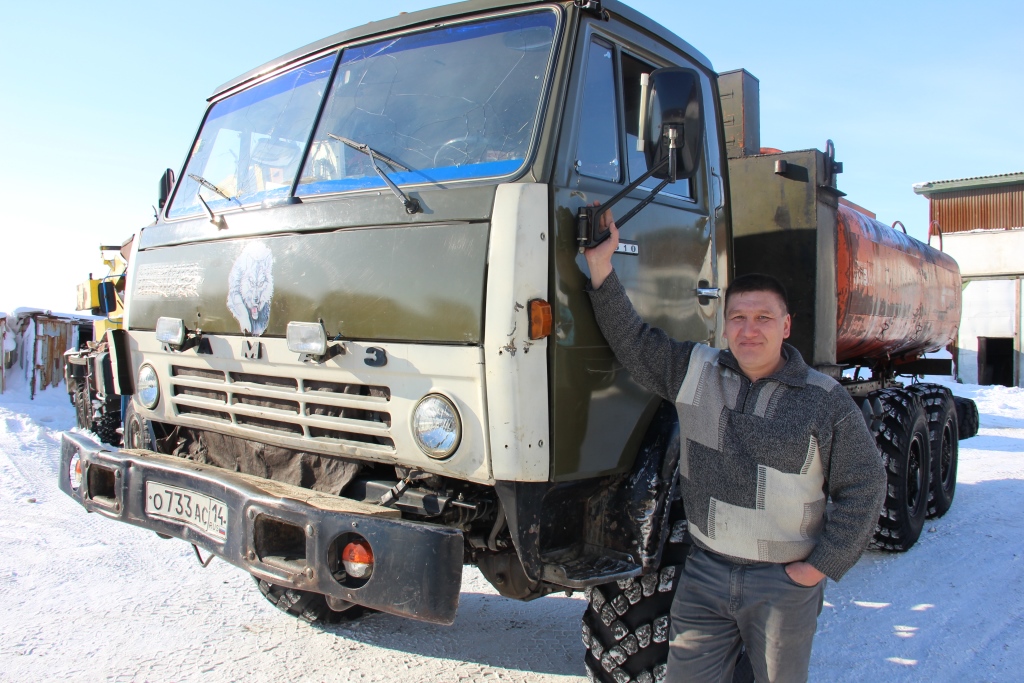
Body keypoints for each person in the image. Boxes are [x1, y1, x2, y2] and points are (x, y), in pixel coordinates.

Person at [584, 212, 886, 683]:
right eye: (739, 319)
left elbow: (865, 484)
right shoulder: (696, 373)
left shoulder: (823, 401)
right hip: (705, 575)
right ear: (724, 328)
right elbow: (634, 342)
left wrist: (817, 568)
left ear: (786, 326)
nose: (750, 330)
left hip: (781, 585)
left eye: (763, 318)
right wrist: (602, 269)